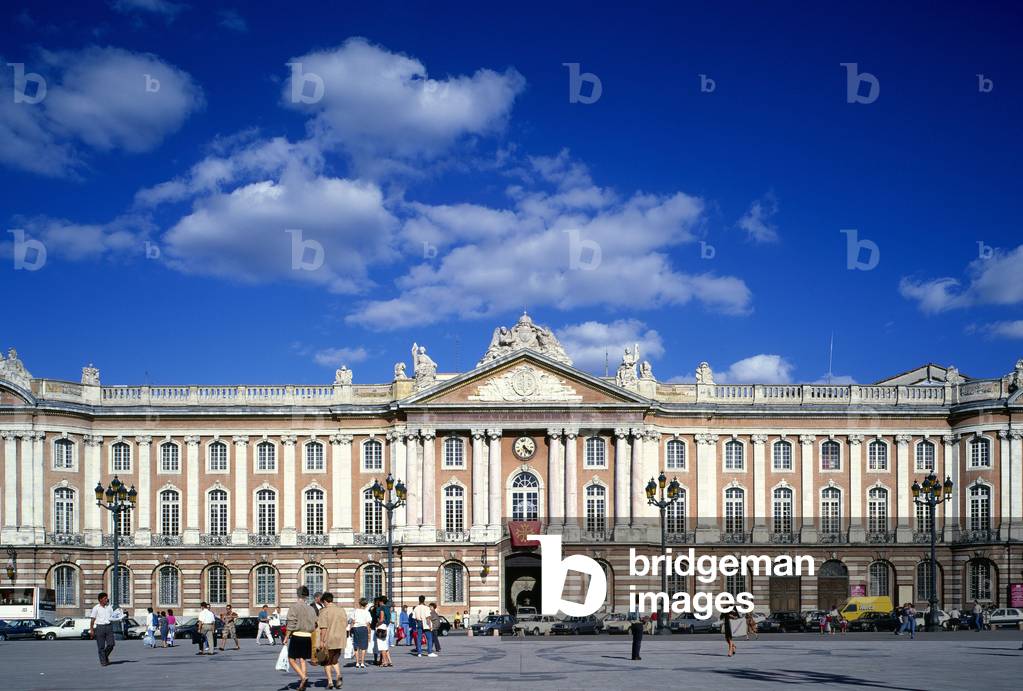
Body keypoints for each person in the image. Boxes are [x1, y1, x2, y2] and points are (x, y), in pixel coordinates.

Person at [285, 586, 318, 690]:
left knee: (291, 659)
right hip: (308, 636)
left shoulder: (294, 607)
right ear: (307, 596)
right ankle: (302, 685)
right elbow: (315, 623)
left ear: (297, 594)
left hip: (297, 635)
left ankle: (303, 677)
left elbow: (291, 623)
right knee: (302, 659)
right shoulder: (311, 609)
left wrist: (286, 636)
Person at [316, 592, 348, 689]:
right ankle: (338, 675)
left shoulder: (324, 611)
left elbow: (323, 627)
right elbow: (345, 624)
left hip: (329, 639)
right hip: (340, 639)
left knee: (326, 661)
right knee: (335, 660)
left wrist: (321, 641)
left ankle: (330, 682)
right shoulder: (341, 610)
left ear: (325, 601)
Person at [88, 592, 119, 666]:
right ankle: (103, 661)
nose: (107, 599)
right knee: (101, 646)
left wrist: (119, 615)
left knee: (111, 644)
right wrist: (91, 629)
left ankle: (104, 656)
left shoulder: (109, 607)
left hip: (109, 627)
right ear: (100, 599)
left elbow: (113, 616)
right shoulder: (96, 608)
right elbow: (92, 620)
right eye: (105, 598)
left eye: (106, 598)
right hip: (100, 628)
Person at [349, 597, 373, 669]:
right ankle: (362, 662)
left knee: (356, 645)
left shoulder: (355, 611)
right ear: (366, 605)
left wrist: (350, 629)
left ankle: (357, 662)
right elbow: (368, 623)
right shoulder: (367, 612)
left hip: (356, 628)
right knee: (363, 646)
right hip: (363, 628)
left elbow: (352, 621)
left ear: (359, 604)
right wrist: (369, 633)